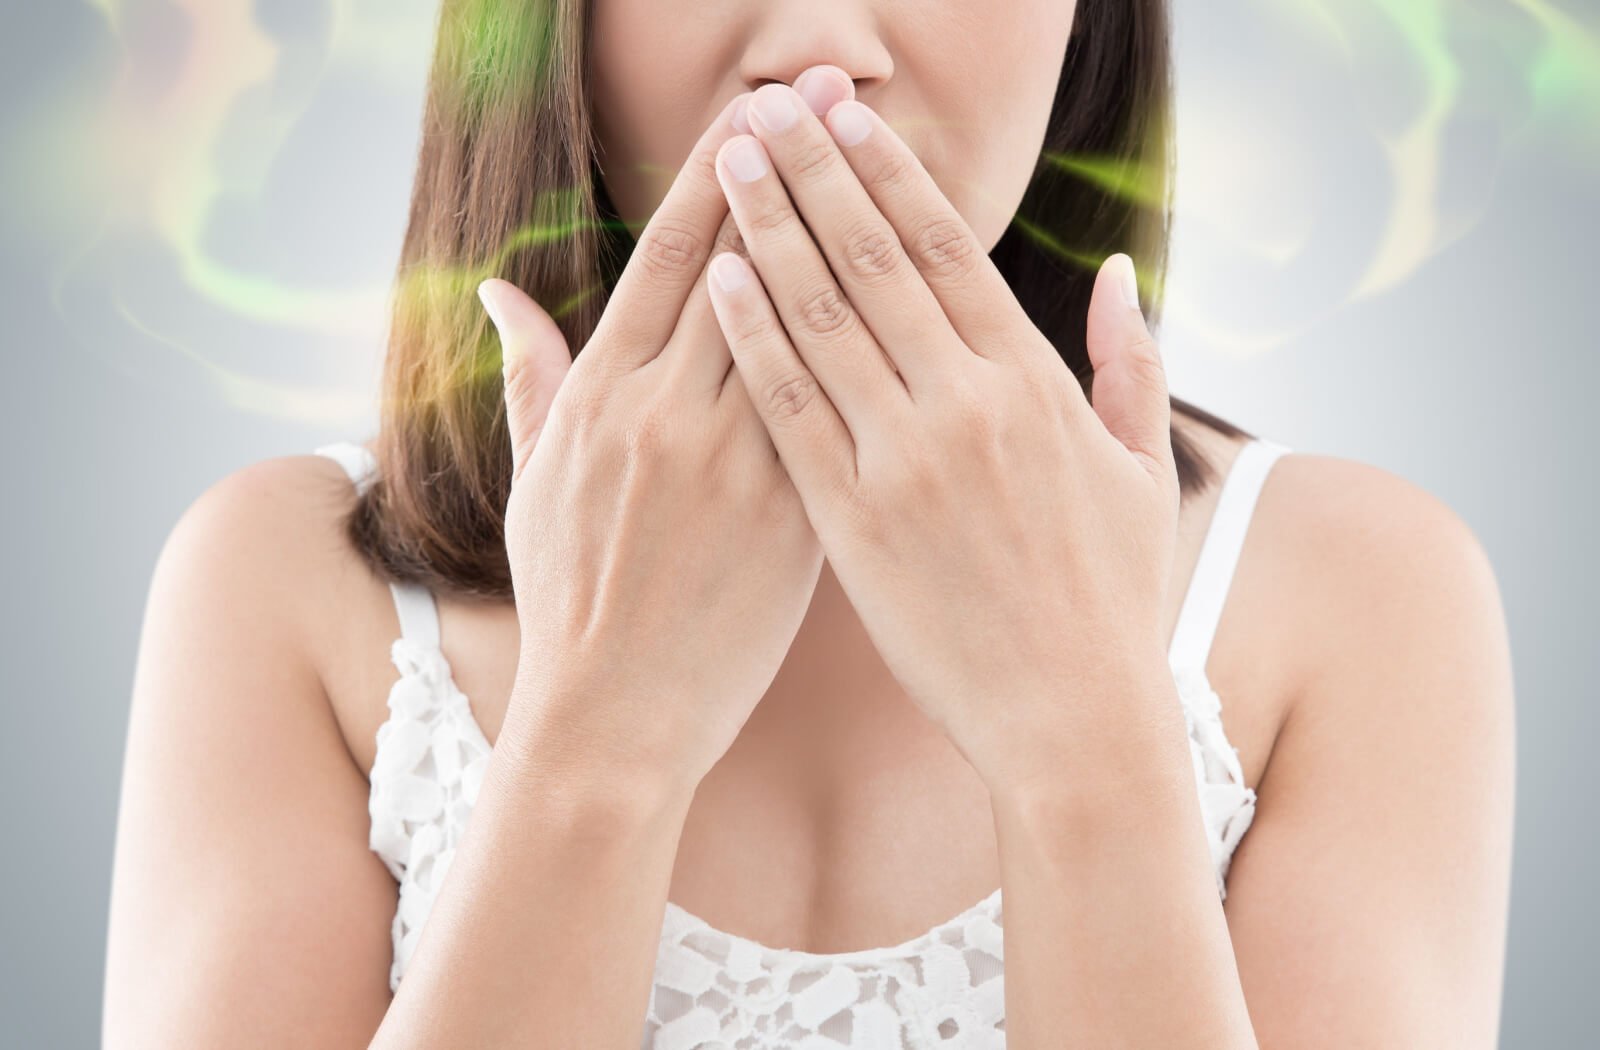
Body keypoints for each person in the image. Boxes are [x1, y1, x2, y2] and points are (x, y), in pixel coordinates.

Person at [102, 1, 1515, 1046]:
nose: (828, 47)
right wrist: (598, 743)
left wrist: (1082, 741)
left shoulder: (1362, 594)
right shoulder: (280, 584)